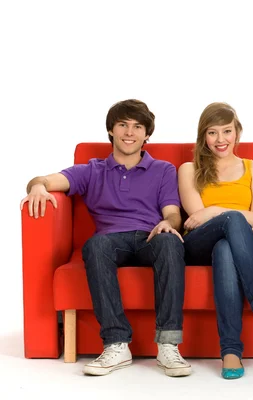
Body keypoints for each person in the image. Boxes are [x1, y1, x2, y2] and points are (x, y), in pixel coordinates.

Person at [20, 99, 191, 377]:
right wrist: (37, 186)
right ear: (111, 130)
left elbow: (173, 213)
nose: (129, 132)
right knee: (96, 244)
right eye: (122, 124)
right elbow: (44, 180)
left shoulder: (163, 170)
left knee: (171, 240)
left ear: (147, 135)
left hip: (151, 237)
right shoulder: (92, 170)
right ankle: (116, 343)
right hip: (111, 241)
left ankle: (168, 344)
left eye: (138, 127)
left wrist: (167, 223)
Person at [178, 102, 253, 380]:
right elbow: (196, 217)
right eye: (212, 133)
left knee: (225, 249)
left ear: (238, 132)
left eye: (227, 131)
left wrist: (220, 212)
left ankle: (230, 351)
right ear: (203, 136)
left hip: (231, 243)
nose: (221, 140)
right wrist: (223, 216)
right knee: (227, 228)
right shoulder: (188, 168)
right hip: (197, 244)